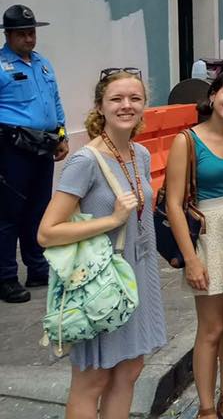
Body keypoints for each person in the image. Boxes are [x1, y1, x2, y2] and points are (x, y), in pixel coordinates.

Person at [37, 69, 166, 417]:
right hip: (100, 281)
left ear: (144, 104)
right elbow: (47, 232)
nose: (127, 105)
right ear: (100, 106)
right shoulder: (85, 161)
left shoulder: (138, 154)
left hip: (135, 273)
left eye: (134, 98)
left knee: (129, 371)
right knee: (92, 380)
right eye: (117, 99)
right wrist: (110, 221)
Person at [165, 69, 223, 419]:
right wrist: (190, 258)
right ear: (214, 94)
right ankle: (205, 407)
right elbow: (174, 203)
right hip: (209, 234)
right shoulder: (186, 141)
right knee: (211, 326)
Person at [0, 4, 68, 303]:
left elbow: (55, 101)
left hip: (44, 144)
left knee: (38, 210)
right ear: (9, 35)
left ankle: (38, 268)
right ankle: (5, 277)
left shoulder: (43, 64)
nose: (29, 39)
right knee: (8, 215)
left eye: (32, 33)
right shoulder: (1, 65)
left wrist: (62, 135)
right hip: (11, 147)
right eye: (23, 34)